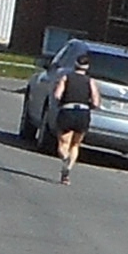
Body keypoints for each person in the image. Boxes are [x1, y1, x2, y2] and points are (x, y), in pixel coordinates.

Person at [51, 51, 99, 181]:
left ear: (75, 64)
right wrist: (91, 106)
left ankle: (65, 158)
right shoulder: (90, 81)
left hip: (67, 111)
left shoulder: (66, 77)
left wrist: (59, 102)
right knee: (76, 144)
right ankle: (67, 172)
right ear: (87, 67)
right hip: (83, 113)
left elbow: (57, 95)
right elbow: (95, 101)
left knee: (63, 143)